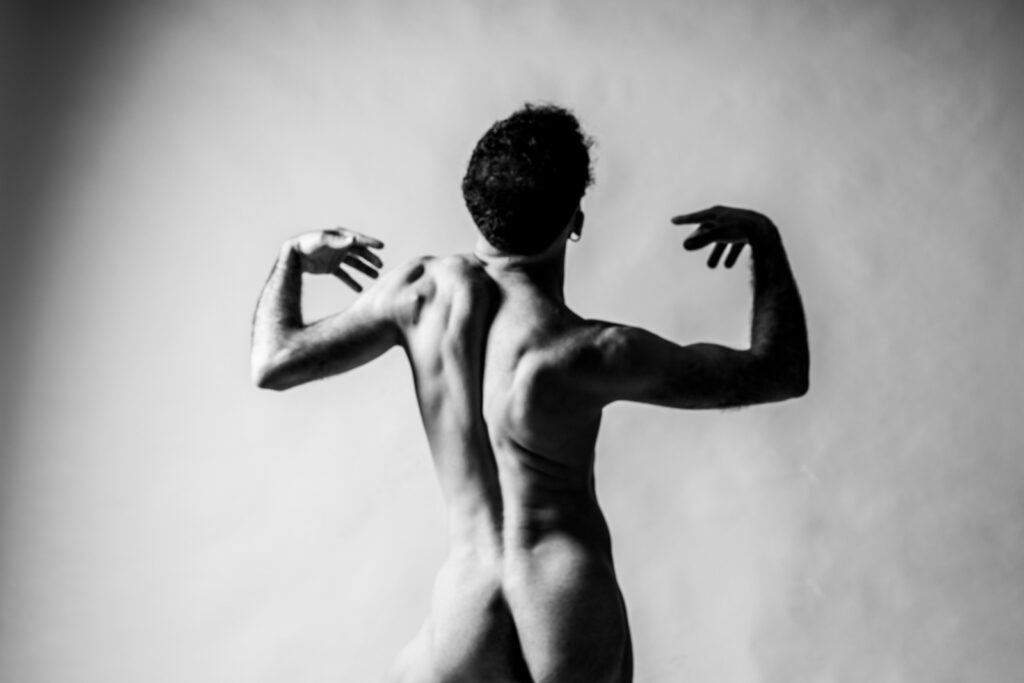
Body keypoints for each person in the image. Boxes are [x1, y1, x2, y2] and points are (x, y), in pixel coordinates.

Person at [250, 103, 809, 683]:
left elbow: (274, 360)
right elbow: (779, 372)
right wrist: (764, 241)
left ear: (475, 203)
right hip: (565, 600)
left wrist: (292, 257)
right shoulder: (594, 352)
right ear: (575, 221)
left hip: (463, 604)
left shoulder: (416, 294)